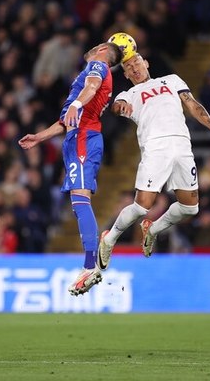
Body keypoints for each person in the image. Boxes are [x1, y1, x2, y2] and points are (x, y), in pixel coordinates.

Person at [96, 52, 210, 270]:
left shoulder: (171, 80)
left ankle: (152, 230)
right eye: (129, 67)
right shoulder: (130, 93)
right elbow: (117, 106)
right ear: (125, 74)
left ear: (146, 63)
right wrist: (120, 107)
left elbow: (192, 104)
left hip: (182, 146)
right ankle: (109, 238)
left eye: (137, 63)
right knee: (143, 205)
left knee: (190, 208)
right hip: (156, 147)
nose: (134, 68)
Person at [18, 41, 123, 296]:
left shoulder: (97, 65)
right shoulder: (93, 71)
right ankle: (89, 264)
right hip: (77, 137)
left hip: (84, 139)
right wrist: (40, 137)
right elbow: (67, 119)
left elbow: (91, 86)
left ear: (102, 50)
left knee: (80, 198)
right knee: (77, 202)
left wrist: (77, 104)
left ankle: (90, 265)